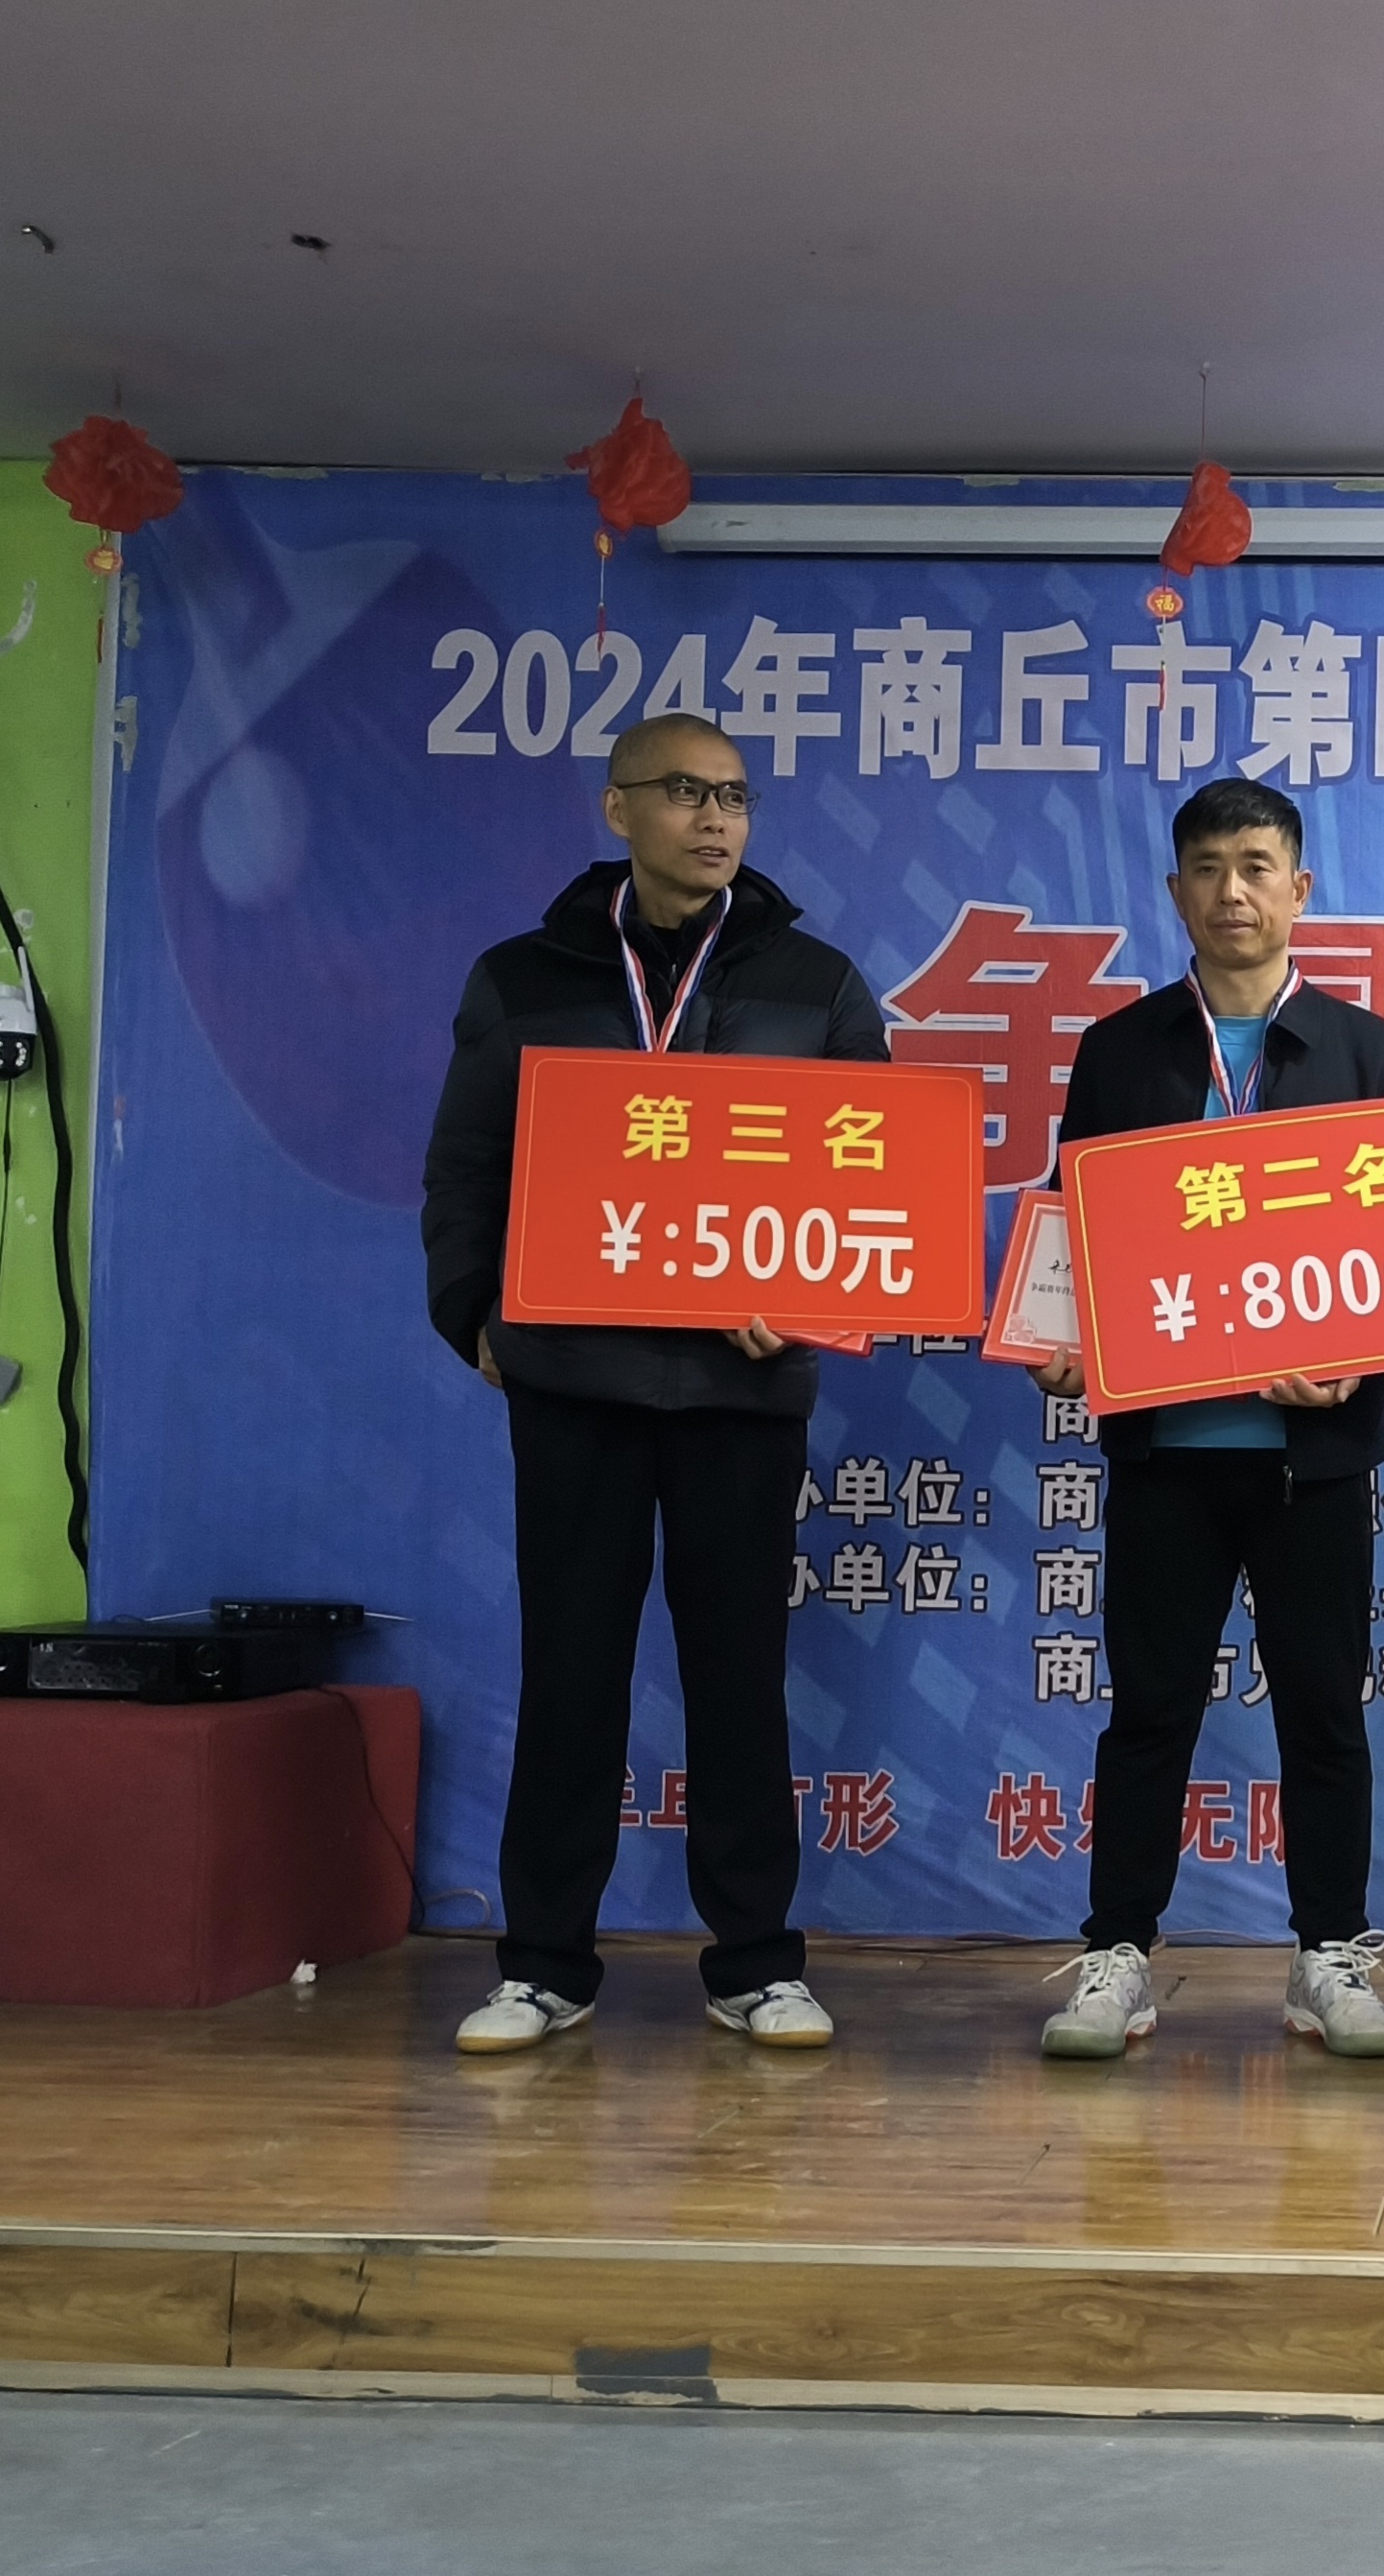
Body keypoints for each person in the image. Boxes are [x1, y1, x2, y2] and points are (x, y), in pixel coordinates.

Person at [421, 714, 891, 2054]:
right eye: (685, 792)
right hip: (575, 1382)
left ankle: (755, 1962)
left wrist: (813, 1306)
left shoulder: (816, 982)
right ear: (618, 808)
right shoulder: (526, 977)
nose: (716, 817)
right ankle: (543, 1965)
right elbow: (465, 1167)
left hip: (742, 1393)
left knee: (742, 1678)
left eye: (735, 795)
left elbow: (869, 1175)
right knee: (570, 1674)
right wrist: (474, 1316)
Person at [1028, 778, 1384, 2064]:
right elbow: (1072, 1229)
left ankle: (1330, 1956)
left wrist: (1357, 1359)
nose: (1233, 890)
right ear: (1175, 891)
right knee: (1149, 1711)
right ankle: (1118, 1955)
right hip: (1167, 1451)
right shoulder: (1121, 1050)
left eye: (1257, 866)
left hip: (1313, 1458)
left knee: (1324, 1712)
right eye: (1208, 867)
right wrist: (1056, 1342)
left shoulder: (1369, 1052)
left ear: (1300, 889)